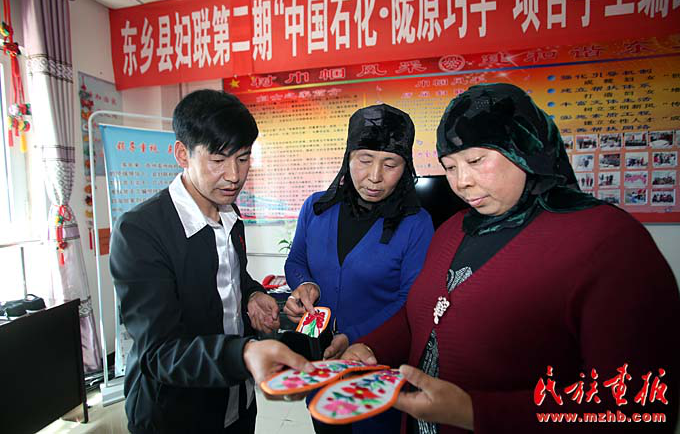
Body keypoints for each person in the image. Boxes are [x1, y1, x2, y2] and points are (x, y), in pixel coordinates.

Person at [341, 83, 680, 433]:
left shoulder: (607, 240)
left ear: (524, 148)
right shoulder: (453, 229)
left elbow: (639, 406)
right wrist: (373, 347)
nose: (462, 182)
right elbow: (423, 317)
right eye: (450, 167)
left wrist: (473, 412)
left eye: (476, 161)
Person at [110, 89, 314, 434]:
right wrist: (244, 353)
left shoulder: (230, 213)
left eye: (243, 158)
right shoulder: (140, 231)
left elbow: (230, 278)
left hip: (237, 402)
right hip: (176, 415)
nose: (234, 175)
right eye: (218, 160)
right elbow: (159, 352)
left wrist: (252, 295)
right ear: (182, 154)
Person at [283, 104, 435, 433]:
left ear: (406, 166)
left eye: (390, 164)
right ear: (348, 157)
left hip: (379, 370)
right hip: (322, 366)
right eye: (365, 160)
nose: (375, 176)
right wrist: (305, 284)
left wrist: (353, 335)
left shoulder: (416, 224)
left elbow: (411, 300)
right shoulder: (317, 207)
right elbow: (296, 260)